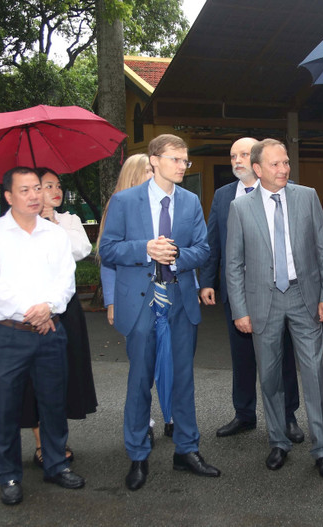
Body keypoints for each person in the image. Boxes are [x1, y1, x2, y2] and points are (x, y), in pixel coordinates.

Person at [100, 134, 219, 491]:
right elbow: (107, 250)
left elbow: (203, 249)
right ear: (153, 160)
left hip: (180, 302)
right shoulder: (124, 201)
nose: (183, 166)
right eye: (175, 159)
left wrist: (177, 255)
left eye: (185, 160)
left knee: (183, 380)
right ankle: (138, 456)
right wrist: (145, 249)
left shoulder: (191, 201)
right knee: (140, 382)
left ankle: (187, 450)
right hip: (141, 303)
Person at [225, 138, 323, 480]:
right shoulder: (240, 209)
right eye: (275, 164)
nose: (283, 169)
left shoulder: (307, 197)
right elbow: (233, 265)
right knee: (270, 375)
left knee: (314, 374)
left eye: (286, 162)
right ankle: (278, 441)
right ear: (257, 170)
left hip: (304, 297)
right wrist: (239, 310)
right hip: (263, 301)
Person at [0, 166, 85, 506]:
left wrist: (48, 308)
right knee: (5, 408)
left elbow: (67, 280)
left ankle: (55, 463)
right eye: (26, 190)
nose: (35, 195)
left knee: (53, 403)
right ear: (8, 196)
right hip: (9, 335)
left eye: (38, 188)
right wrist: (31, 311)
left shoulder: (54, 235)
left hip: (51, 331)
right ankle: (8, 475)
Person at [199, 137, 303, 443]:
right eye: (232, 155)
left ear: (257, 160)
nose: (237, 160)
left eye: (243, 154)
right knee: (242, 357)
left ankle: (288, 416)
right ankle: (244, 415)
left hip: (276, 292)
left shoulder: (283, 190)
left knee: (281, 357)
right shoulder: (222, 196)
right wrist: (207, 281)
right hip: (237, 293)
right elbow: (213, 240)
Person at [19, 168, 98, 469]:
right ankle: (42, 443)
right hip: (31, 309)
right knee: (33, 378)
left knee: (64, 372)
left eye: (57, 185)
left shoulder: (69, 221)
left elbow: (82, 250)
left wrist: (53, 225)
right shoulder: (22, 223)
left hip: (66, 307)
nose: (55, 190)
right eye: (46, 185)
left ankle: (58, 439)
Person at [96, 154, 163, 442]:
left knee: (167, 360)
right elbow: (107, 258)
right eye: (148, 169)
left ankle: (170, 414)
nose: (154, 173)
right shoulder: (119, 205)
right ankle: (142, 422)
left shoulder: (162, 201)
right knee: (141, 365)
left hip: (165, 293)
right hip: (134, 298)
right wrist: (112, 301)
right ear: (134, 175)